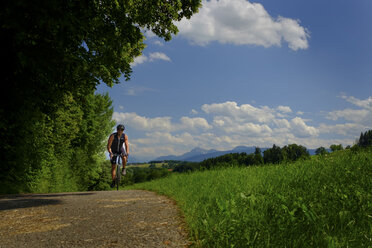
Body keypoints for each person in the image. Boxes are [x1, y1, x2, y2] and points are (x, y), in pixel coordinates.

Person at [107, 124, 129, 188]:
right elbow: (108, 146)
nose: (120, 131)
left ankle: (124, 168)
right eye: (119, 130)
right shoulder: (113, 136)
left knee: (124, 157)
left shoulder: (125, 136)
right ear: (117, 130)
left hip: (120, 149)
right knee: (113, 167)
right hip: (113, 150)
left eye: (122, 130)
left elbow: (127, 145)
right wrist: (110, 153)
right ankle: (113, 181)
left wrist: (127, 153)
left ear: (123, 131)